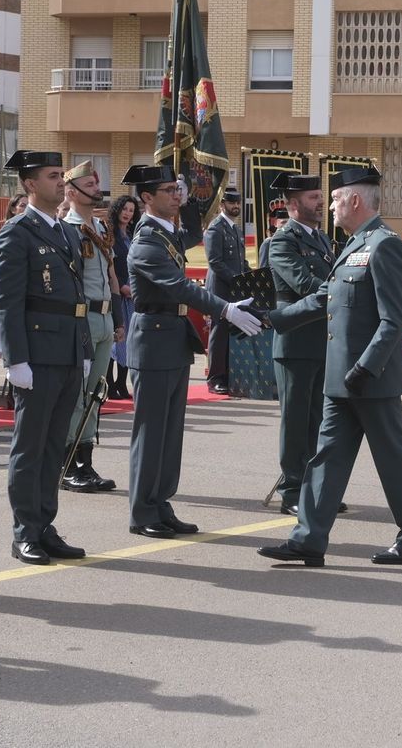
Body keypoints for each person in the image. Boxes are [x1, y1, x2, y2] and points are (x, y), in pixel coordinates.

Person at [257, 164, 402, 567]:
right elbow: (323, 298)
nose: (330, 206)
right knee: (326, 458)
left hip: (371, 379)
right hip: (341, 378)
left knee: (393, 460)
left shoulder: (384, 245)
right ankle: (308, 538)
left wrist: (366, 369)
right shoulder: (354, 244)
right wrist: (272, 318)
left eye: (334, 199)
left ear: (354, 200)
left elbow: (393, 319)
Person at [122, 165, 262, 538]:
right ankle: (143, 510)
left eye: (176, 188)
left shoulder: (166, 234)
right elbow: (180, 286)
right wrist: (225, 309)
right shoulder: (147, 240)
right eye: (168, 190)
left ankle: (160, 501)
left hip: (171, 338)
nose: (175, 194)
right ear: (147, 198)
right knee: (151, 433)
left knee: (170, 433)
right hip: (153, 339)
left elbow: (194, 233)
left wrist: (188, 202)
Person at [0, 151, 94, 565]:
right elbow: (7, 302)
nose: (60, 183)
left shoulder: (66, 231)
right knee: (29, 448)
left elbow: (77, 298)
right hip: (36, 355)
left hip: (66, 350)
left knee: (55, 447)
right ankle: (25, 531)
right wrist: (15, 361)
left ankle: (45, 524)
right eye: (53, 176)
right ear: (30, 184)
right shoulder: (17, 233)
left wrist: (83, 348)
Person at [264, 172, 335, 516]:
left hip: (322, 339)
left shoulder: (321, 239)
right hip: (294, 341)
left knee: (318, 419)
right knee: (294, 420)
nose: (320, 202)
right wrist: (344, 290)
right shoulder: (282, 241)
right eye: (312, 198)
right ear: (293, 205)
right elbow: (304, 284)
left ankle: (314, 487)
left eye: (320, 196)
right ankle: (292, 490)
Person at [61, 160, 122, 494]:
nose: (97, 189)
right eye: (90, 184)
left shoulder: (99, 230)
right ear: (72, 192)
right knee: (76, 395)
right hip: (81, 319)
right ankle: (68, 463)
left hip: (104, 317)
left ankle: (85, 461)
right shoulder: (67, 229)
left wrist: (119, 318)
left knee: (96, 392)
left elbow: (112, 274)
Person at [203, 187, 249, 395]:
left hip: (235, 290)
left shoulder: (236, 229)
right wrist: (237, 279)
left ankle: (229, 374)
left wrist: (250, 277)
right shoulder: (215, 228)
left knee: (232, 333)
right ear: (222, 205)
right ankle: (215, 378)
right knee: (219, 333)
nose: (236, 206)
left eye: (238, 202)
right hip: (220, 290)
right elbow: (215, 262)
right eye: (231, 203)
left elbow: (241, 261)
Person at [106, 194, 138, 400]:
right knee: (114, 340)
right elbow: (110, 266)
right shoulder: (110, 234)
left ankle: (122, 383)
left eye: (131, 210)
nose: (127, 213)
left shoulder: (134, 235)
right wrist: (122, 286)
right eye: (124, 209)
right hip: (116, 292)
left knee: (128, 340)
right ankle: (109, 383)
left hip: (132, 295)